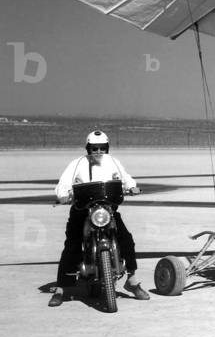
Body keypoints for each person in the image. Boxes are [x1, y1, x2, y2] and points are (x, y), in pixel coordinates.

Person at [49, 130, 148, 307]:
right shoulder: (77, 164)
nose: (99, 152)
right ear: (88, 148)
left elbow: (125, 179)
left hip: (106, 209)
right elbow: (63, 184)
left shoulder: (113, 162)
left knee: (126, 239)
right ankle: (61, 289)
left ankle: (132, 281)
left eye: (102, 148)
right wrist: (63, 195)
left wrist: (132, 187)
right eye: (94, 148)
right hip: (82, 210)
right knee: (72, 244)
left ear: (107, 148)